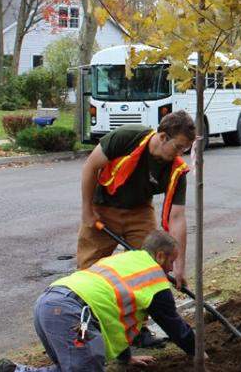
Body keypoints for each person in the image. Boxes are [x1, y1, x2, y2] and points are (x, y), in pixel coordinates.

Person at [0, 230, 196, 372]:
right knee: (85, 367)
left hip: (49, 304)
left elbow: (113, 315)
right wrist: (198, 351)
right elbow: (173, 324)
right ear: (160, 256)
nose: (171, 269)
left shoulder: (125, 260)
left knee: (77, 365)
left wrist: (126, 357)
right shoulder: (154, 279)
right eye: (171, 261)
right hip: (73, 316)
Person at [77, 111, 195, 345]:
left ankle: (137, 330)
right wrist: (87, 209)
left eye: (185, 149)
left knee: (151, 269)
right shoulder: (127, 138)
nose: (181, 154)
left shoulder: (176, 170)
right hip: (103, 207)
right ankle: (85, 327)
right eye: (179, 147)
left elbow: (177, 217)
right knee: (89, 269)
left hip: (140, 211)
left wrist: (179, 266)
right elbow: (90, 167)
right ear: (162, 137)